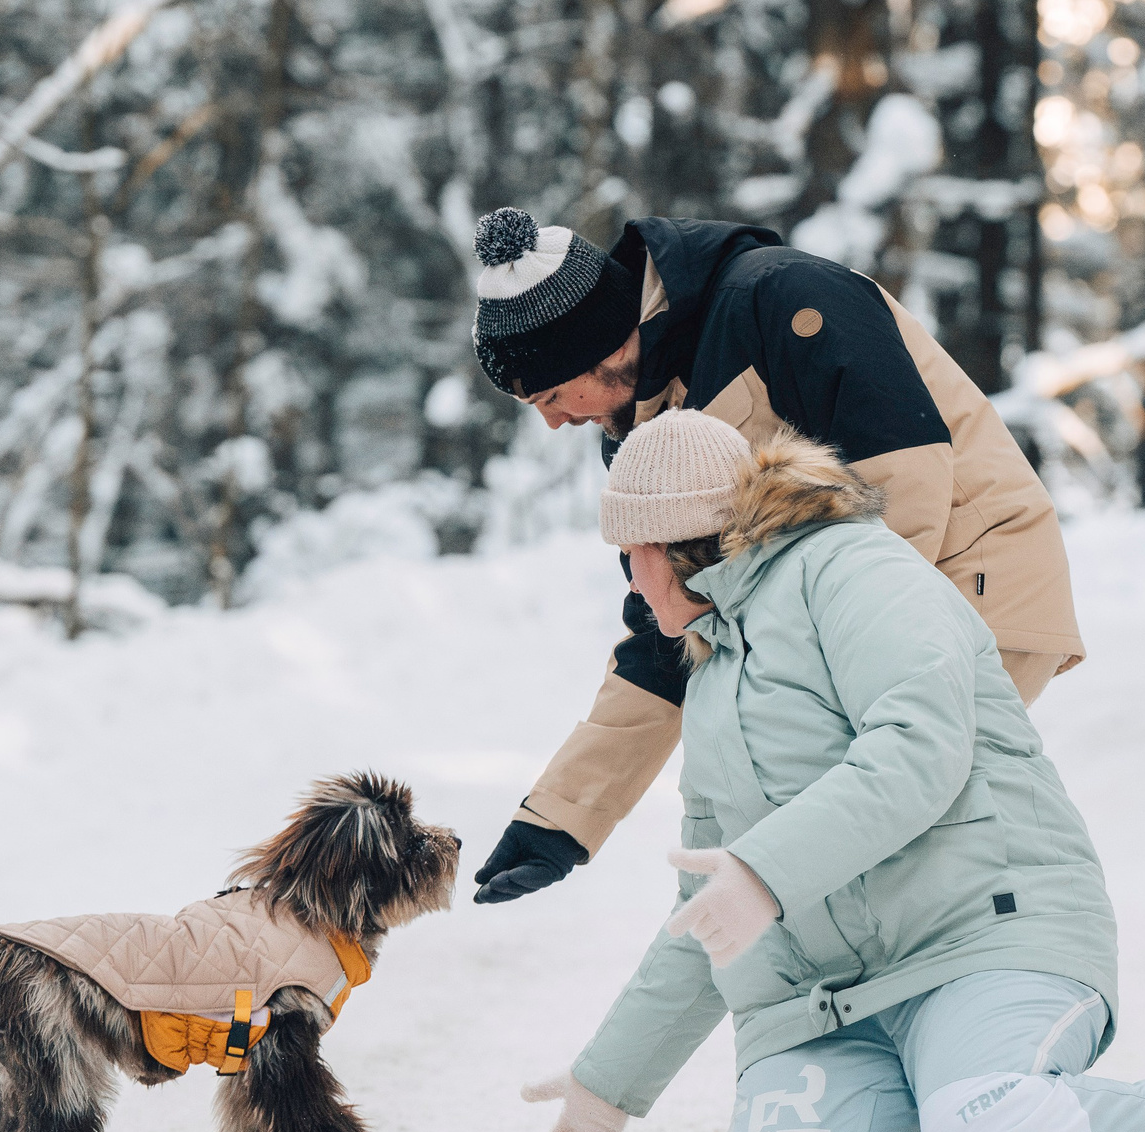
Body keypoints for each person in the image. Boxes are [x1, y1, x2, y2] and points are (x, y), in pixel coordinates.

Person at [520, 411, 1145, 1132]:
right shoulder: (714, 673)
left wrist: (766, 873)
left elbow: (921, 746)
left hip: (979, 939)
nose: (631, 582)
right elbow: (711, 910)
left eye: (630, 555)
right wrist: (612, 1080)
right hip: (827, 1005)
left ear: (675, 543)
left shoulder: (853, 570)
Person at [464, 206, 1088, 906]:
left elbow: (903, 482)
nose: (553, 421)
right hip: (855, 621)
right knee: (810, 835)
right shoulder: (644, 428)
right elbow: (670, 626)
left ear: (598, 345)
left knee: (843, 836)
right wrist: (559, 820)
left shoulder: (779, 297)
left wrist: (810, 653)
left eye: (550, 395)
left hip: (966, 579)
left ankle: (1013, 946)